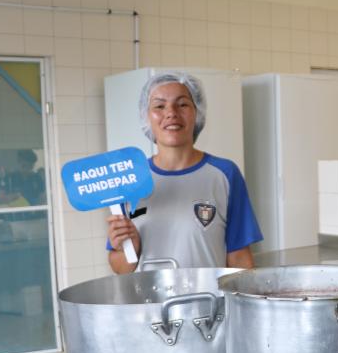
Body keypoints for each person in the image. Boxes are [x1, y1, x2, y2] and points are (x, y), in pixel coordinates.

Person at [106, 72, 262, 273]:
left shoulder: (224, 174)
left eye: (182, 104)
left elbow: (239, 256)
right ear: (147, 116)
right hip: (149, 303)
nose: (171, 113)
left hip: (209, 302)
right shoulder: (129, 180)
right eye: (159, 106)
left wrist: (249, 300)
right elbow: (121, 268)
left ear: (197, 112)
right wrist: (129, 249)